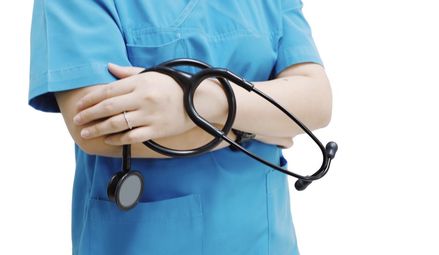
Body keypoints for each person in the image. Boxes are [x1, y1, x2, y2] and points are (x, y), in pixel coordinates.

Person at [28, 0, 332, 254]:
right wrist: (252, 127)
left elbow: (316, 101)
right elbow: (97, 127)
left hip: (266, 240)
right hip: (145, 241)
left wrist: (199, 99)